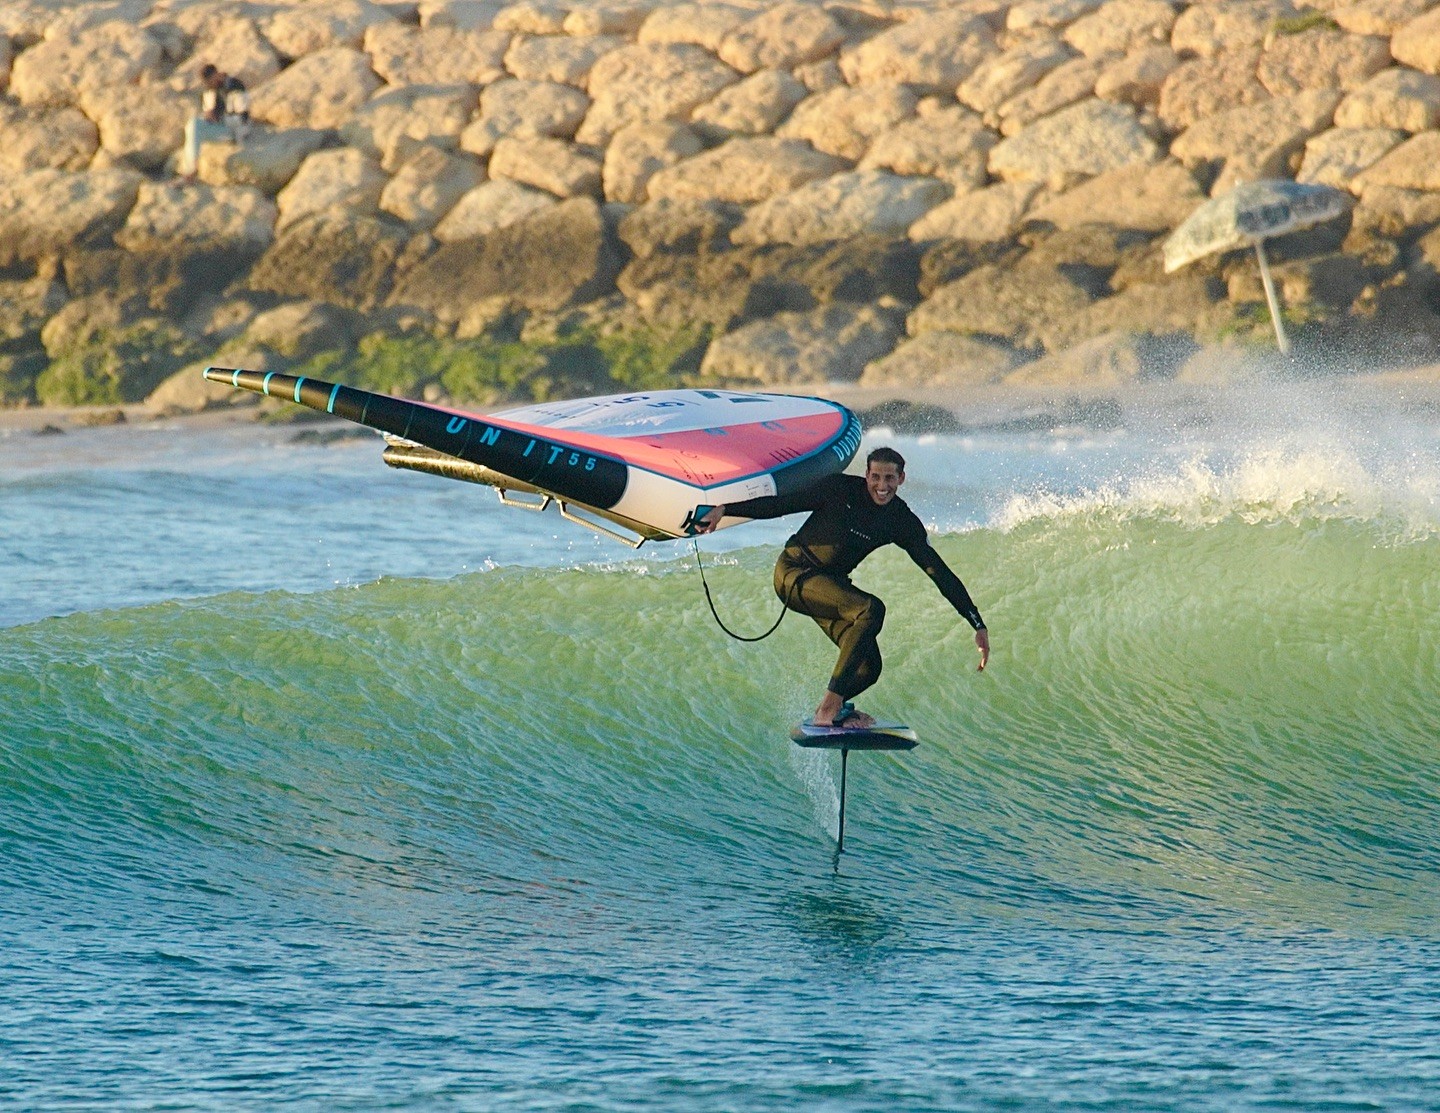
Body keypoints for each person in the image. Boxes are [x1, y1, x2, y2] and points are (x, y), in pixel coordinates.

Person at [694, 447, 989, 728]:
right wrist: (725, 510)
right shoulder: (839, 489)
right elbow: (781, 505)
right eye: (875, 477)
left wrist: (976, 622)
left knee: (868, 669)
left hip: (830, 585)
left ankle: (836, 709)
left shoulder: (901, 520)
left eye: (889, 478)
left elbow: (939, 573)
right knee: (871, 609)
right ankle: (829, 708)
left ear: (901, 478)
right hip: (794, 573)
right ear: (867, 475)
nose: (881, 486)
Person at [179, 64, 249, 181]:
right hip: (219, 126)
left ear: (216, 75)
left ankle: (190, 172)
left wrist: (218, 117)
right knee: (193, 124)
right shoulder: (209, 90)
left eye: (210, 81)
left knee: (195, 129)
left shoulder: (235, 86)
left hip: (235, 130)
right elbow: (208, 111)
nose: (208, 85)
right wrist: (209, 116)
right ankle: (190, 169)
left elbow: (243, 118)